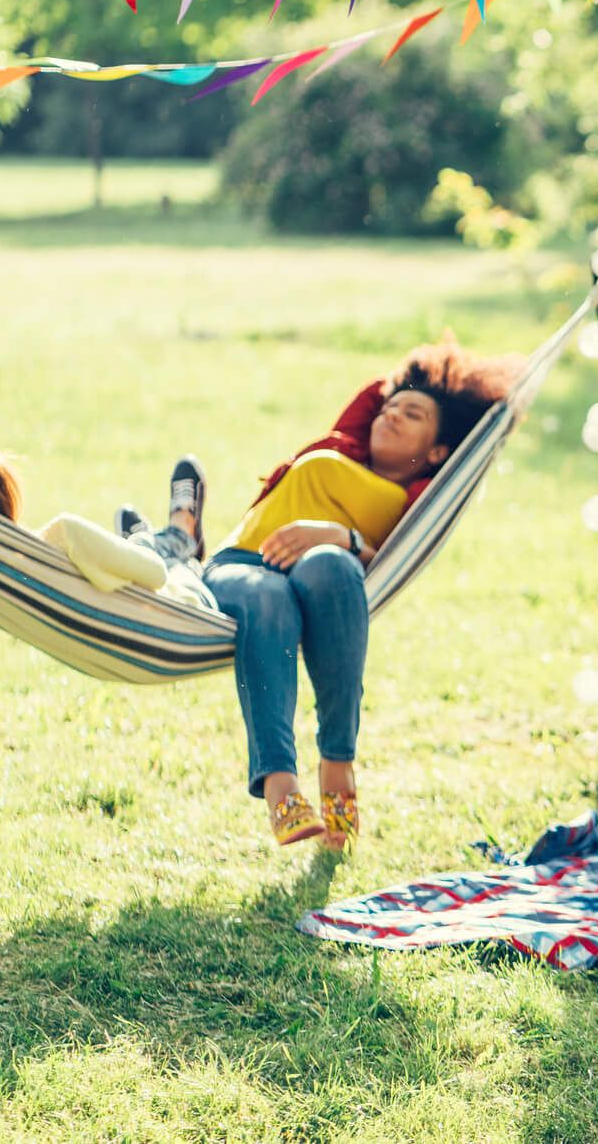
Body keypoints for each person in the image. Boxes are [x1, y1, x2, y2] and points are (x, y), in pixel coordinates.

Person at [202, 339, 520, 852]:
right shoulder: (345, 449)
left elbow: (378, 561)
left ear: (437, 452)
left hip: (323, 572)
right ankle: (281, 786)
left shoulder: (414, 506)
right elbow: (376, 393)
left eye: (411, 414)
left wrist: (338, 537)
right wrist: (406, 389)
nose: (390, 414)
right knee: (270, 598)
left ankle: (337, 761)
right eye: (390, 410)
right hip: (243, 566)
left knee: (333, 565)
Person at [0, 439, 214, 610]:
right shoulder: (65, 536)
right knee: (159, 553)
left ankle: (150, 539)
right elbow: (156, 573)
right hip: (183, 596)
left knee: (136, 548)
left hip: (131, 598)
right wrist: (139, 546)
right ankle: (178, 533)